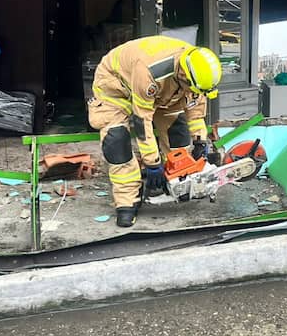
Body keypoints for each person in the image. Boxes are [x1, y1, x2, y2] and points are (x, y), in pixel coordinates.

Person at [87, 36, 222, 228]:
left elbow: (195, 106)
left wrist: (200, 140)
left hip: (166, 91)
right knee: (116, 141)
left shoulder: (197, 69)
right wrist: (152, 163)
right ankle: (127, 199)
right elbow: (142, 121)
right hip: (116, 86)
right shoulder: (150, 72)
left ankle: (177, 182)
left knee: (178, 133)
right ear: (184, 75)